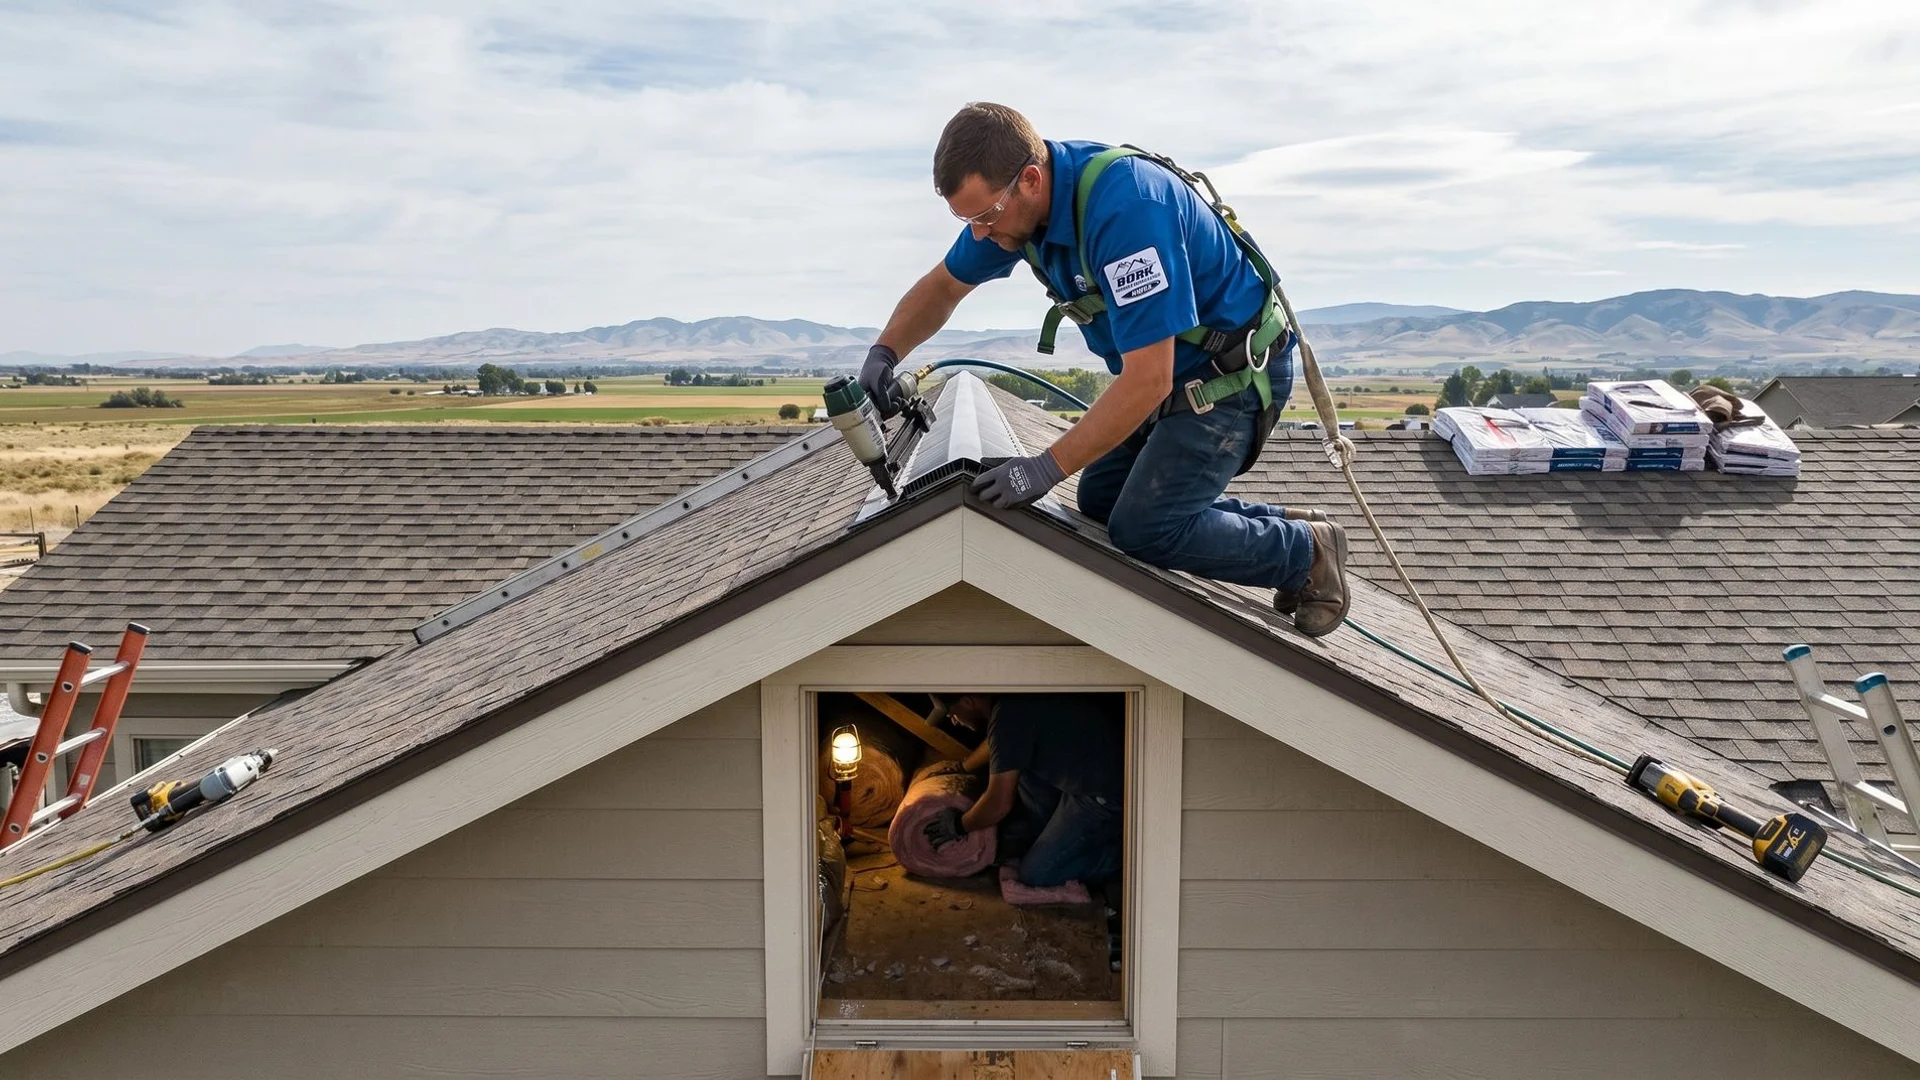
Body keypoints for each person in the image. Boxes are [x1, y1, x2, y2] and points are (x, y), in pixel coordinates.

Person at [858, 102, 1349, 636]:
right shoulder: (1019, 215)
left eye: (985, 216)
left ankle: (1305, 555)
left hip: (1227, 380)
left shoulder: (1126, 211)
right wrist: (884, 354)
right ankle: (1285, 526)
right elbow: (944, 286)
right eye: (966, 220)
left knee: (1145, 529)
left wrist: (1041, 468)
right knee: (1099, 502)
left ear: (1029, 179)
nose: (978, 234)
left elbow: (1148, 378)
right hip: (1174, 378)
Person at [923, 693, 1123, 888]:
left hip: (1105, 796)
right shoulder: (1010, 704)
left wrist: (958, 825)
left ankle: (1122, 857)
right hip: (1087, 774)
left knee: (1037, 873)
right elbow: (1000, 745)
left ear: (968, 701)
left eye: (952, 714)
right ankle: (1049, 838)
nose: (955, 722)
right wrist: (962, 767)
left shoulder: (1008, 717)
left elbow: (998, 803)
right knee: (1018, 768)